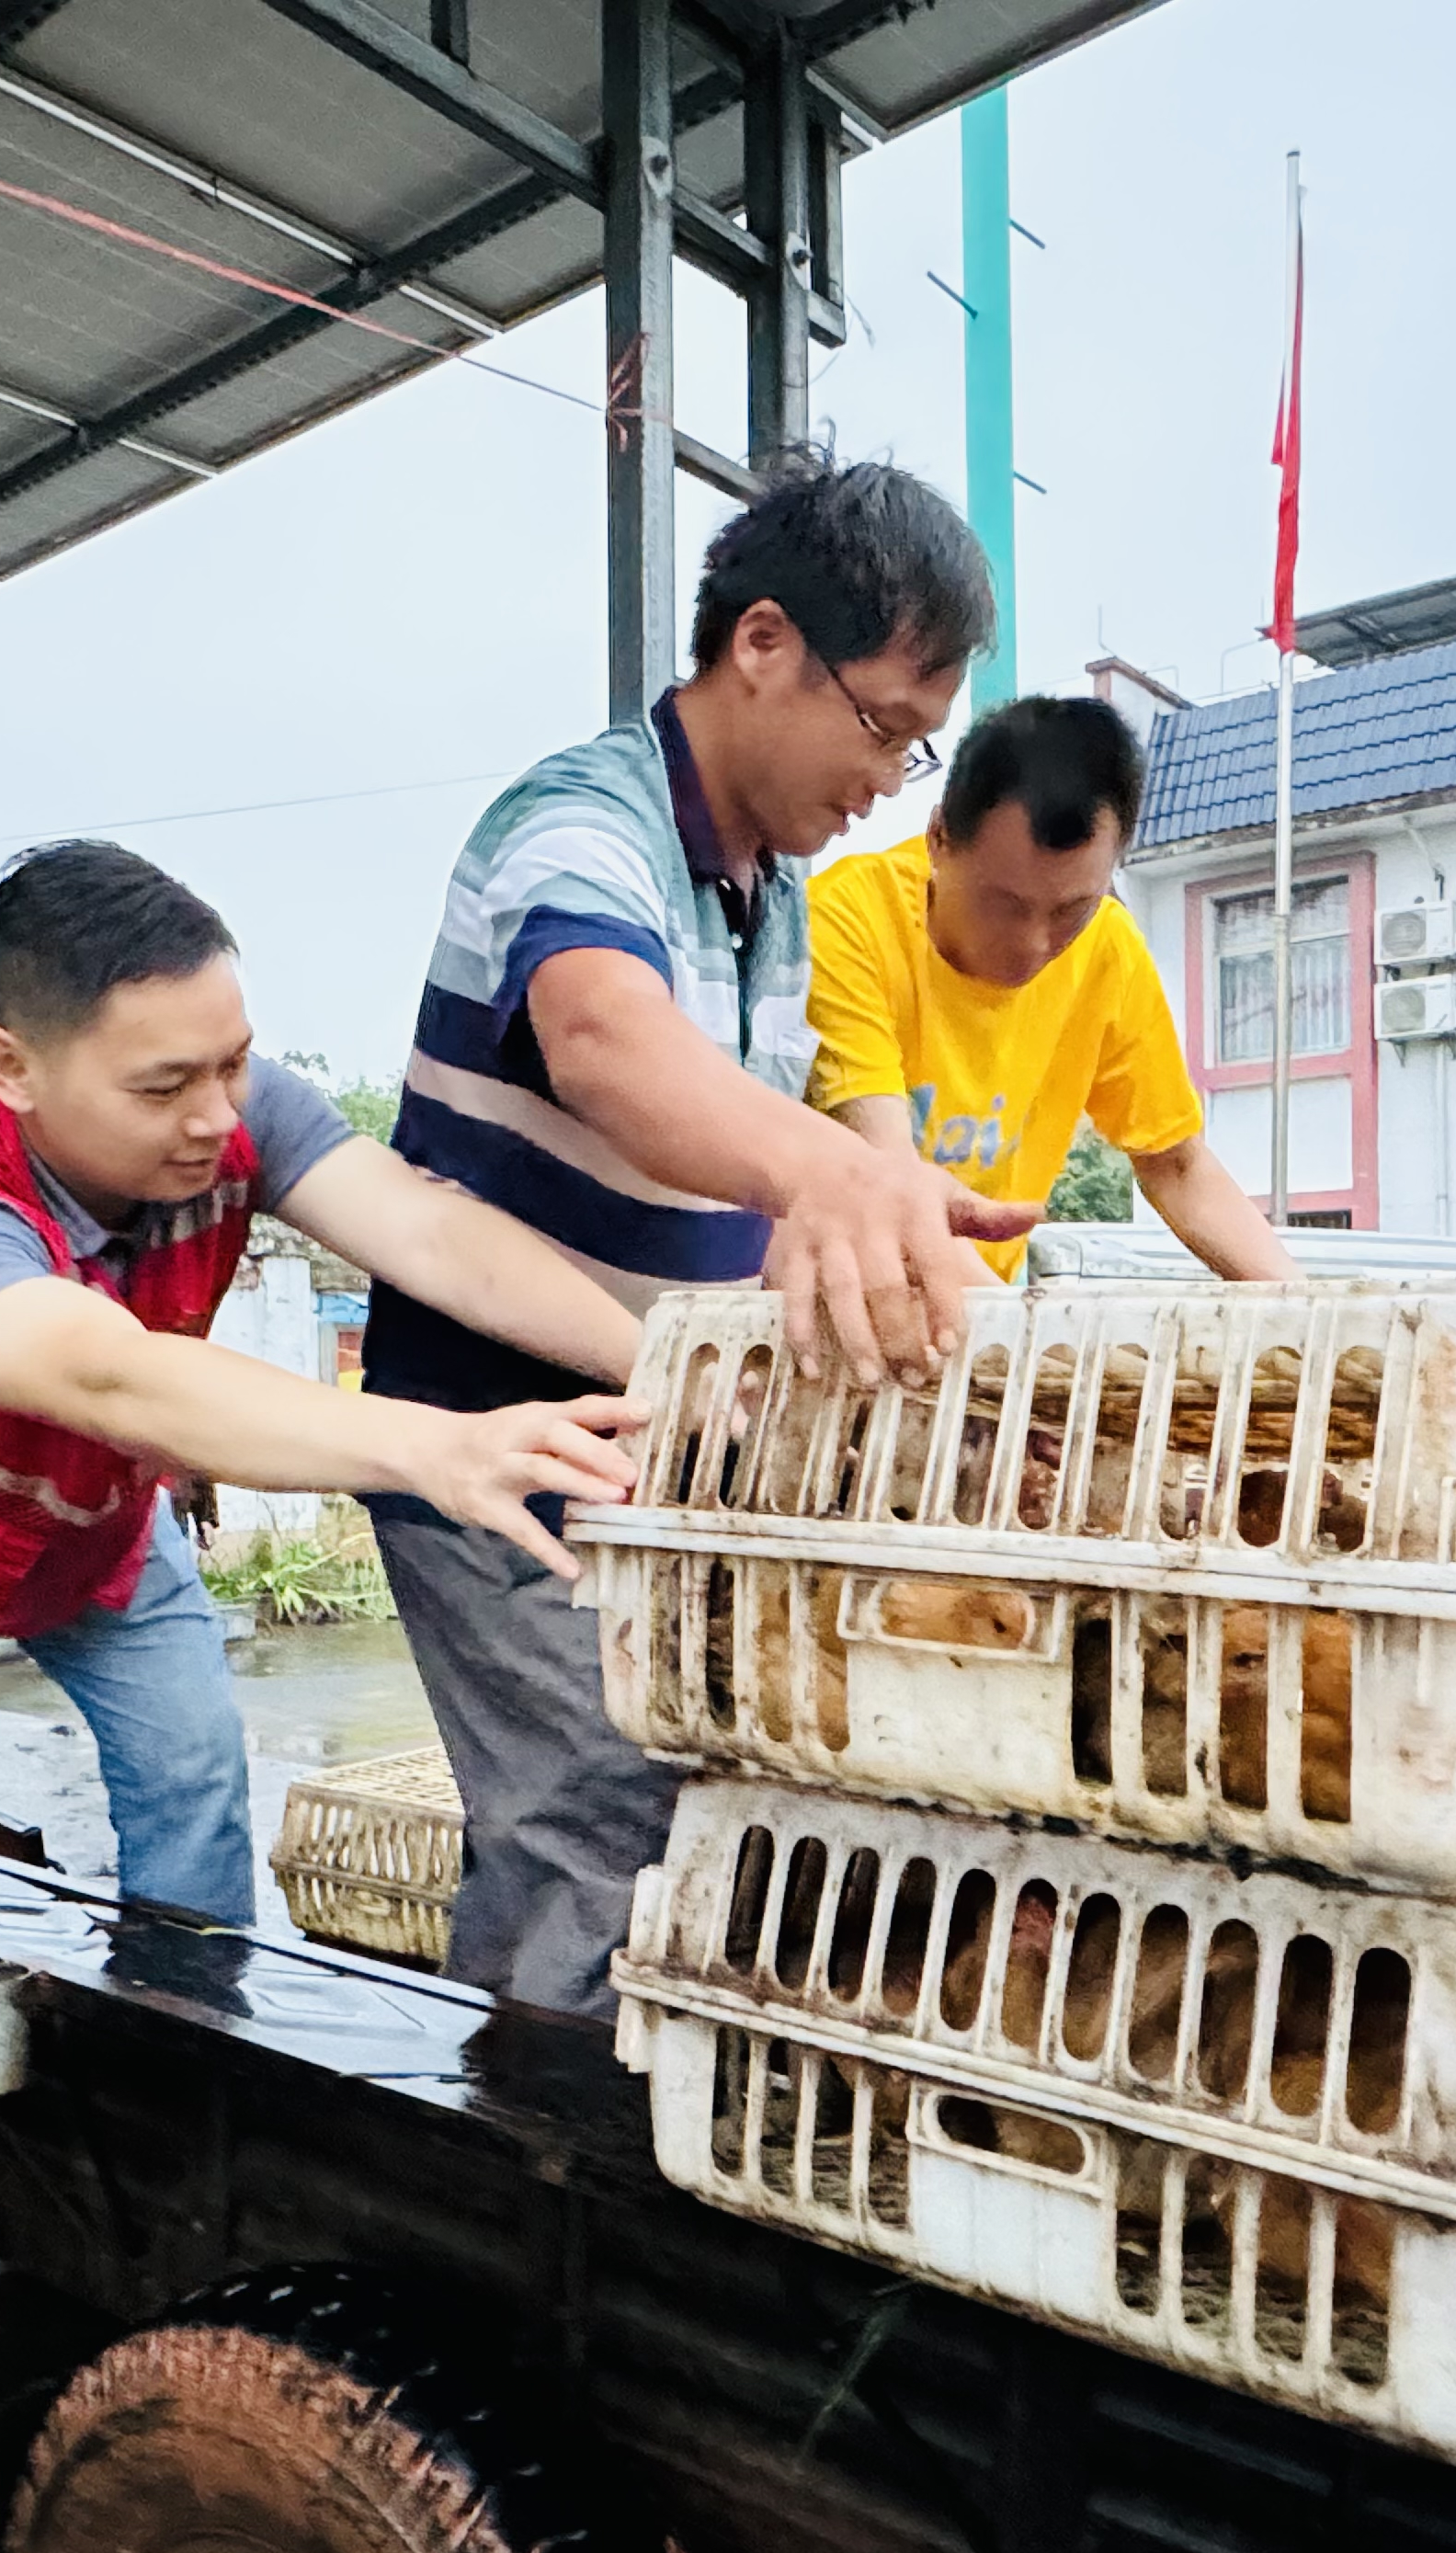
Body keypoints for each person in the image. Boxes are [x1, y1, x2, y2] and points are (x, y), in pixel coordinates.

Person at [0, 841, 643, 2521]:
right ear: (12, 1066)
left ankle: (178, 2177)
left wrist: (672, 1360)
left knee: (193, 1797)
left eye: (232, 1062)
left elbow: (427, 1232)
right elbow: (105, 1369)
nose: (216, 1115)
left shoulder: (231, 1110)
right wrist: (427, 1444)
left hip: (88, 1532)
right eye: (166, 1082)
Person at [364, 455, 1029, 2018]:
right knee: (587, 1829)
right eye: (883, 727)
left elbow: (747, 1172)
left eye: (918, 747)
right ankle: (531, 2148)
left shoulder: (769, 897)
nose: (890, 779)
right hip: (506, 1441)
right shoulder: (580, 819)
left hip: (664, 1448)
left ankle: (640, 2111)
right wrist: (835, 1178)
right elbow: (604, 1038)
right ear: (764, 644)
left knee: (718, 1818)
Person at [805, 695, 1298, 1284]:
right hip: (835, 1299)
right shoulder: (844, 924)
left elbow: (1177, 1167)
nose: (1034, 945)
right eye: (1005, 906)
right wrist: (1019, 1335)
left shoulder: (1107, 948)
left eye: (1071, 910)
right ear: (938, 837)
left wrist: (1309, 1310)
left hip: (986, 1308)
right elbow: (891, 1178)